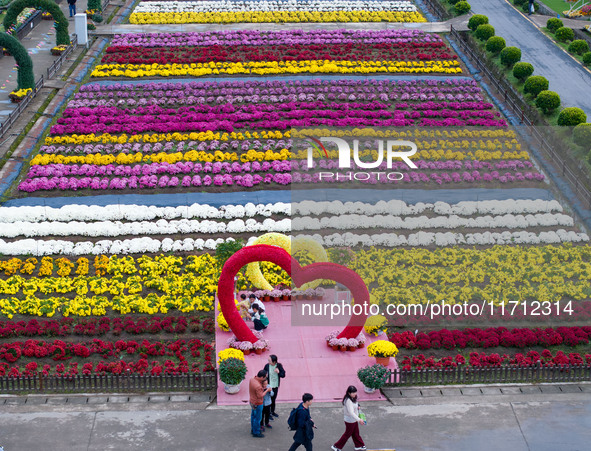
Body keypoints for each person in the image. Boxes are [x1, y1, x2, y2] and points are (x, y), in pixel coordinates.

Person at [331, 386, 366, 451]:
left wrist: (358, 406)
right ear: (349, 393)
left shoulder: (353, 397)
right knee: (347, 434)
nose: (355, 393)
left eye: (355, 392)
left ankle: (359, 445)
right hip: (350, 420)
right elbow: (351, 412)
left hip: (354, 419)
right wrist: (359, 420)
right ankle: (336, 446)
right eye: (353, 392)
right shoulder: (348, 401)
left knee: (355, 433)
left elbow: (355, 404)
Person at [249, 370, 271, 438]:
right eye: (265, 377)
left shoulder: (252, 379)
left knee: (253, 416)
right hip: (258, 403)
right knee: (258, 418)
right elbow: (260, 395)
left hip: (252, 401)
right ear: (261, 377)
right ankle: (256, 432)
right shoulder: (258, 386)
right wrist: (267, 390)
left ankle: (253, 429)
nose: (265, 379)